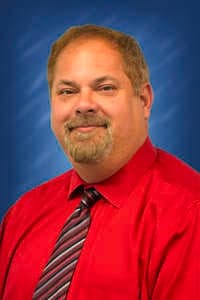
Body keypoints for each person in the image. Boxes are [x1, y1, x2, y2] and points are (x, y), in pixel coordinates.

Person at [0, 24, 200, 300]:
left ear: (143, 100)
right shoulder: (21, 215)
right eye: (67, 91)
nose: (83, 105)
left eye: (104, 87)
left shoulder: (189, 215)